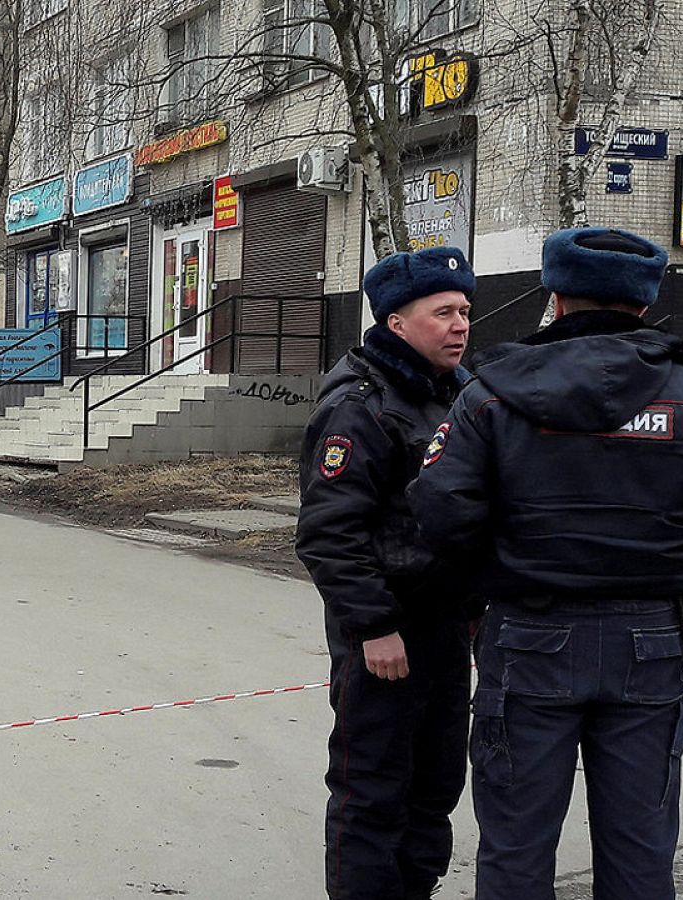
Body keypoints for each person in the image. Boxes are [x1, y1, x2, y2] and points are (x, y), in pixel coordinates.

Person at [409, 228, 683, 900]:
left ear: (554, 294)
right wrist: (682, 555)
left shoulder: (490, 395)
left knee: (516, 849)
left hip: (527, 635)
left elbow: (441, 512)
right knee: (639, 851)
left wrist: (498, 571)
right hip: (651, 638)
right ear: (647, 299)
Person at [296, 244, 478, 900]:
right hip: (384, 634)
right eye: (443, 313)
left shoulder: (457, 394)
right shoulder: (362, 404)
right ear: (396, 323)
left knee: (433, 787)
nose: (460, 325)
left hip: (445, 626)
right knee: (372, 789)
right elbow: (328, 532)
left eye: (464, 311)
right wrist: (374, 624)